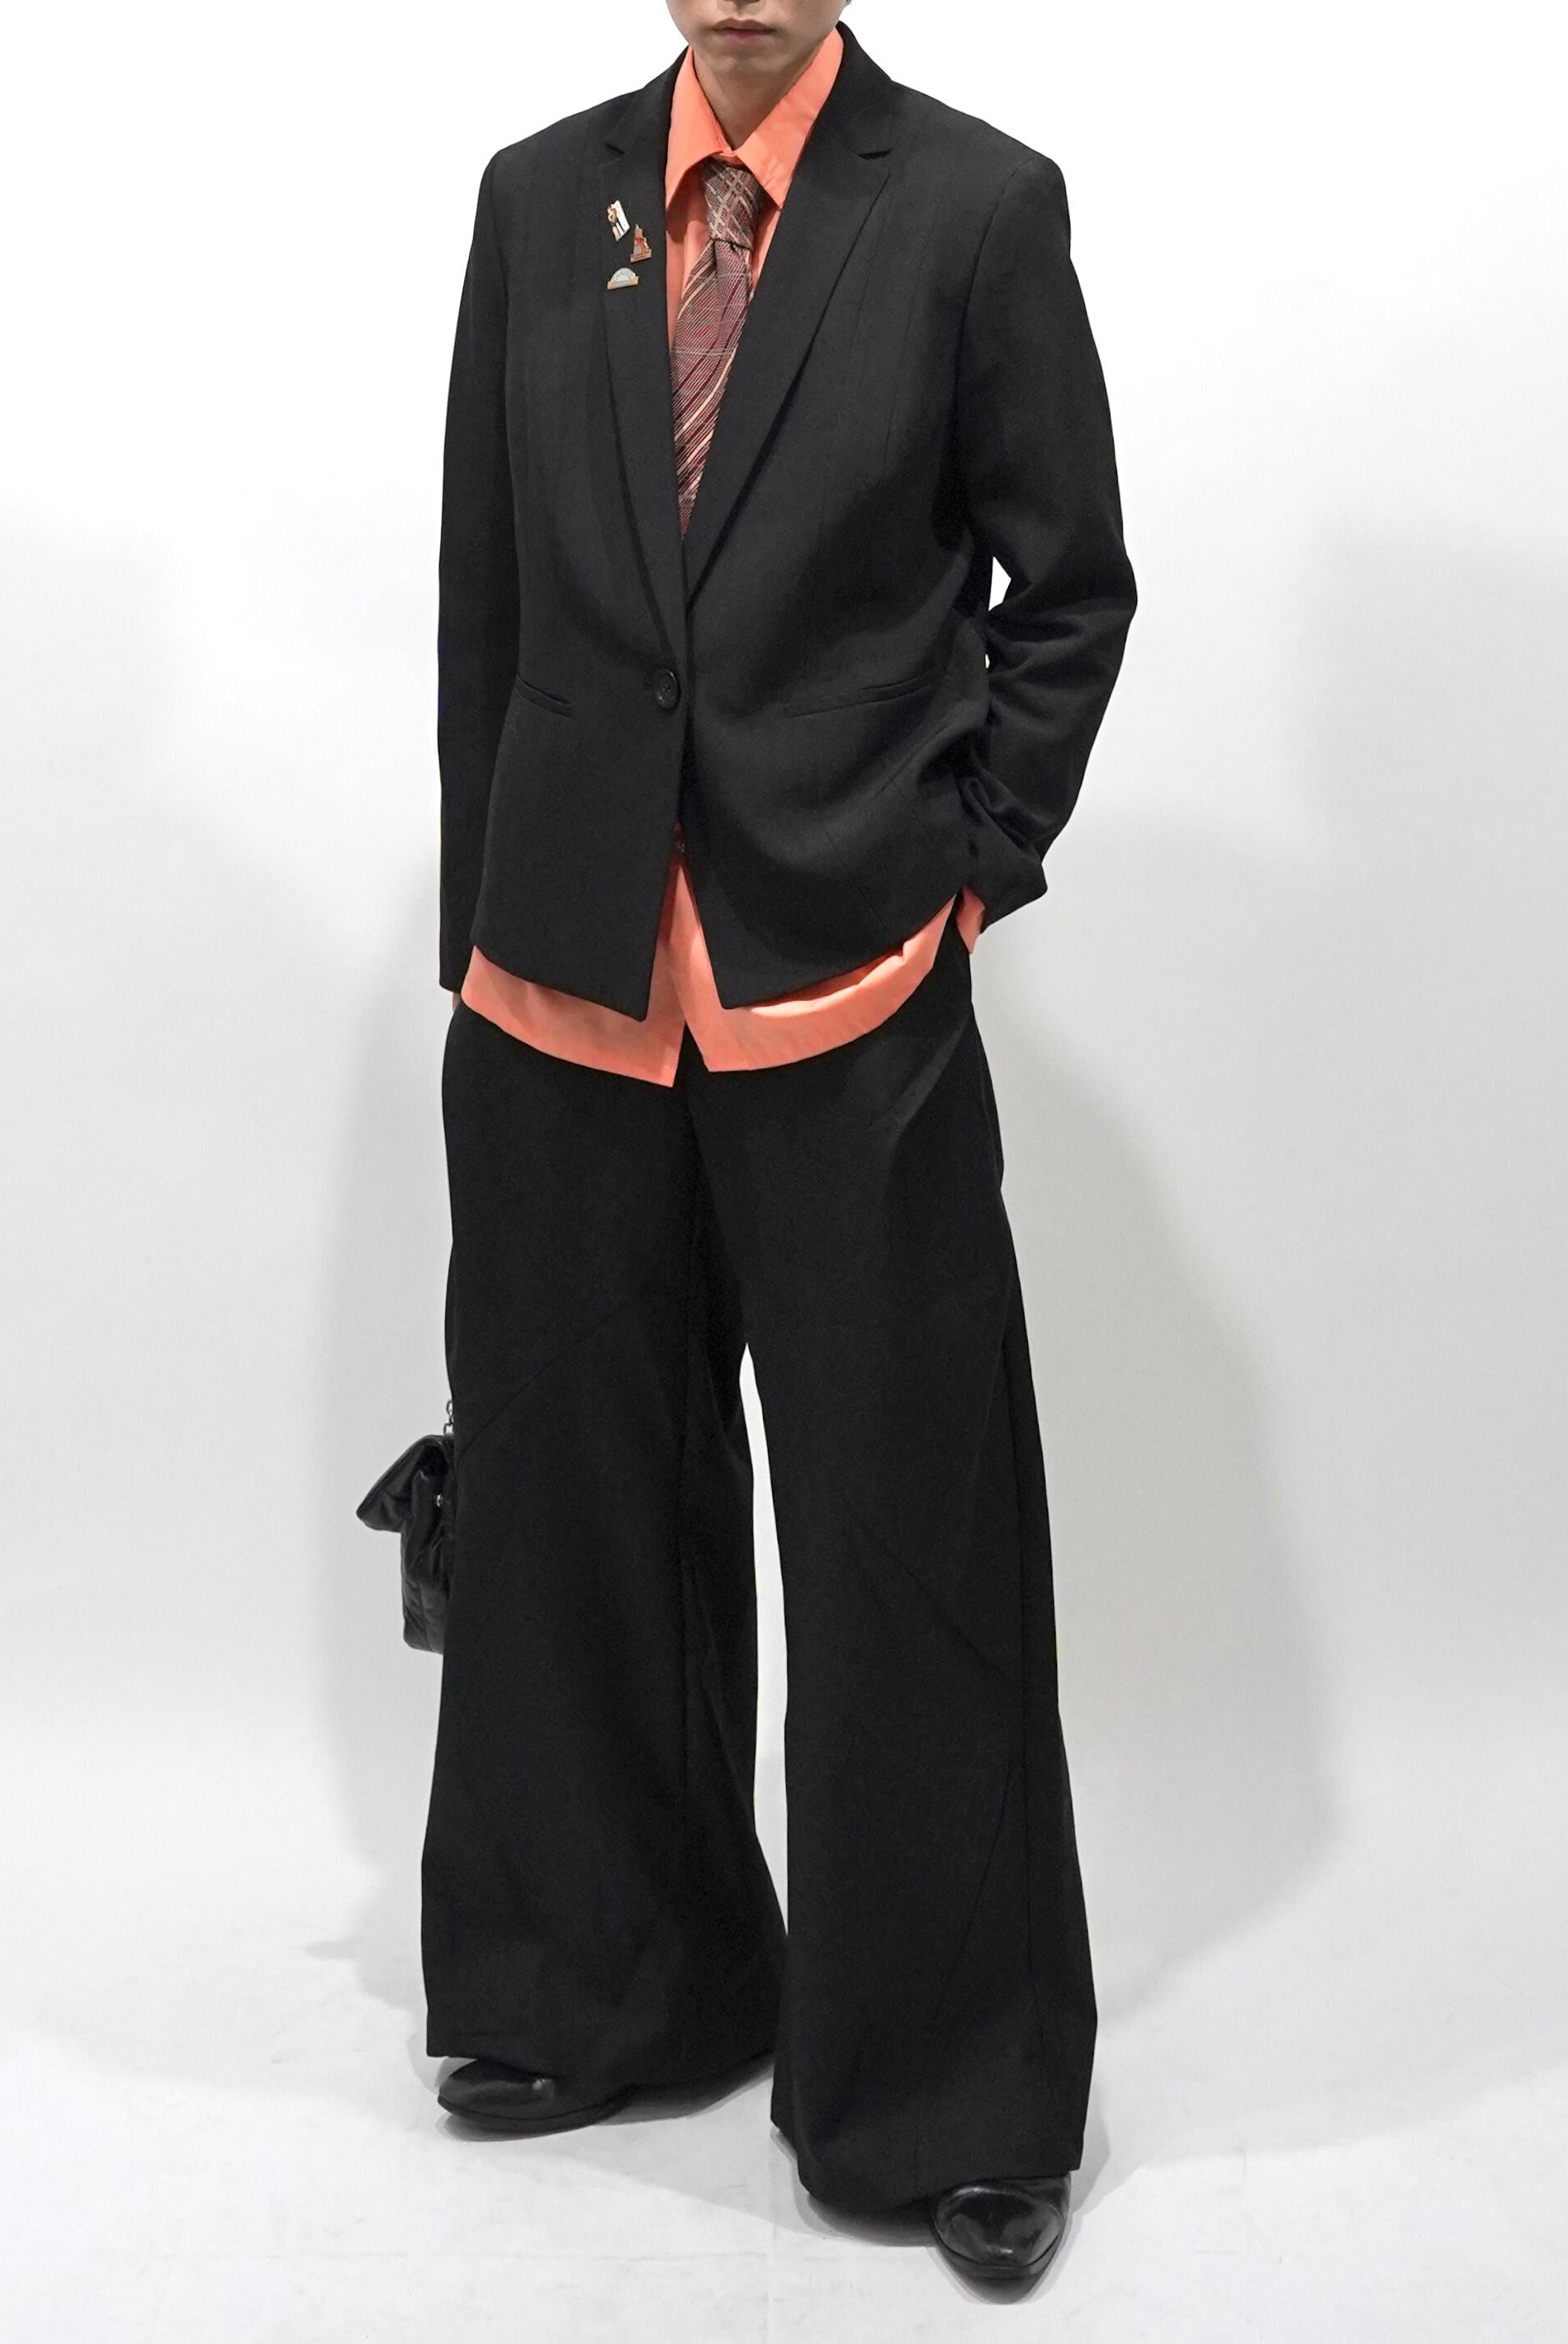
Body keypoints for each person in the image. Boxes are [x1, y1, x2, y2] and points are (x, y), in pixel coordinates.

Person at [421, 0, 1135, 2285]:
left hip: (844, 975)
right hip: (562, 984)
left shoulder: (976, 210)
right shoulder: (542, 198)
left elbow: (1070, 591)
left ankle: (952, 2090)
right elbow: (485, 598)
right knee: (573, 1508)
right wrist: (484, 934)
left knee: (908, 1530)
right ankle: (605, 1987)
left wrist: (960, 877)